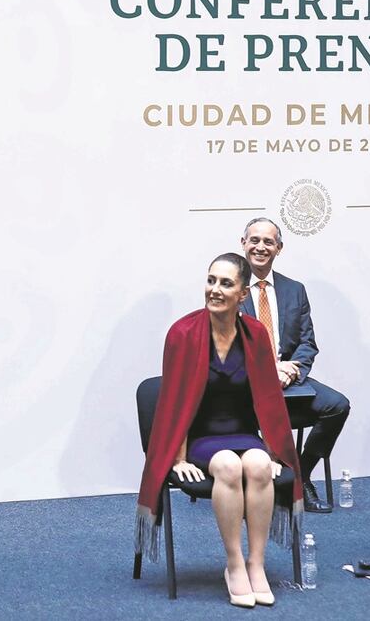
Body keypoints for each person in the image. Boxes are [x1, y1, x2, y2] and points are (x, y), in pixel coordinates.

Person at [136, 253, 302, 608]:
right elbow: (174, 402)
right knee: (228, 465)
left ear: (243, 294)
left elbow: (269, 398)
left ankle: (256, 563)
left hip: (242, 432)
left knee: (257, 466)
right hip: (201, 437)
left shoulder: (256, 333)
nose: (214, 289)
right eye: (211, 280)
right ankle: (234, 563)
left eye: (226, 283)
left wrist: (274, 452)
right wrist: (177, 457)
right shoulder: (182, 333)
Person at [237, 217, 350, 512]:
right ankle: (264, 480)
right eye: (254, 240)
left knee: (337, 405)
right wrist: (266, 371)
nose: (261, 247)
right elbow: (226, 346)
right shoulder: (231, 288)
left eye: (269, 242)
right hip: (244, 384)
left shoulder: (294, 290)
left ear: (279, 248)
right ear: (243, 244)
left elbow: (307, 343)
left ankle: (299, 475)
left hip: (289, 380)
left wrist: (293, 369)